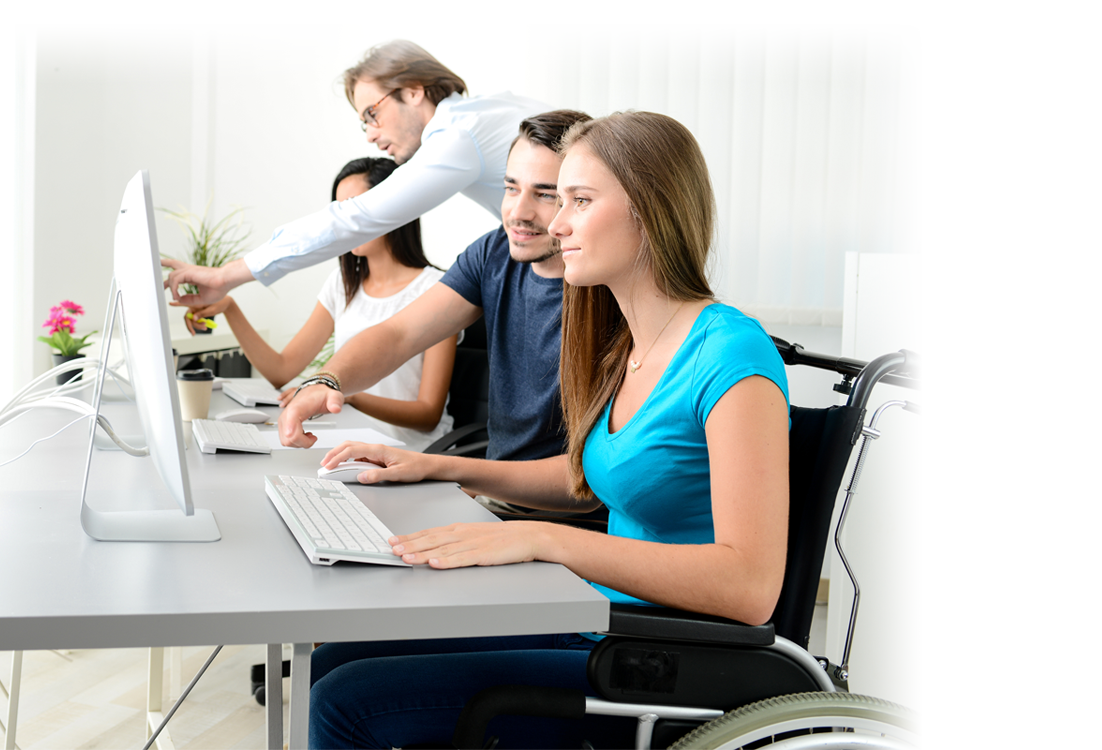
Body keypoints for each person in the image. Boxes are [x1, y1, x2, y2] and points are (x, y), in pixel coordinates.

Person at [303, 111, 792, 749]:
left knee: (348, 701)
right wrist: (443, 466)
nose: (556, 224)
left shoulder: (730, 355)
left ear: (650, 211)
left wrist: (543, 540)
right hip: (598, 617)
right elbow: (587, 477)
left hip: (661, 657)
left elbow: (750, 587)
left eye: (578, 201)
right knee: (335, 656)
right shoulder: (632, 346)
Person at [276, 110, 591, 483]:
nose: (518, 213)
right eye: (510, 188)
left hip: (565, 514)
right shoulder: (493, 253)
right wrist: (327, 381)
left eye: (545, 194)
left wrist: (440, 470)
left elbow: (594, 477)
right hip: (495, 494)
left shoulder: (607, 284)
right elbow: (398, 334)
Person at [161, 39, 550, 307]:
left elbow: (358, 217)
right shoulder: (486, 113)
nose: (370, 135)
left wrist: (228, 275)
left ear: (413, 90)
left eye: (372, 114)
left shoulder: (459, 135)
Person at [185, 157, 456, 448]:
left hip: (410, 452)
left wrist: (343, 390)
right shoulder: (342, 285)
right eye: (339, 210)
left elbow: (428, 414)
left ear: (392, 207)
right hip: (348, 441)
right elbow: (281, 370)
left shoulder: (438, 290)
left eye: (355, 207)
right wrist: (229, 307)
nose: (345, 221)